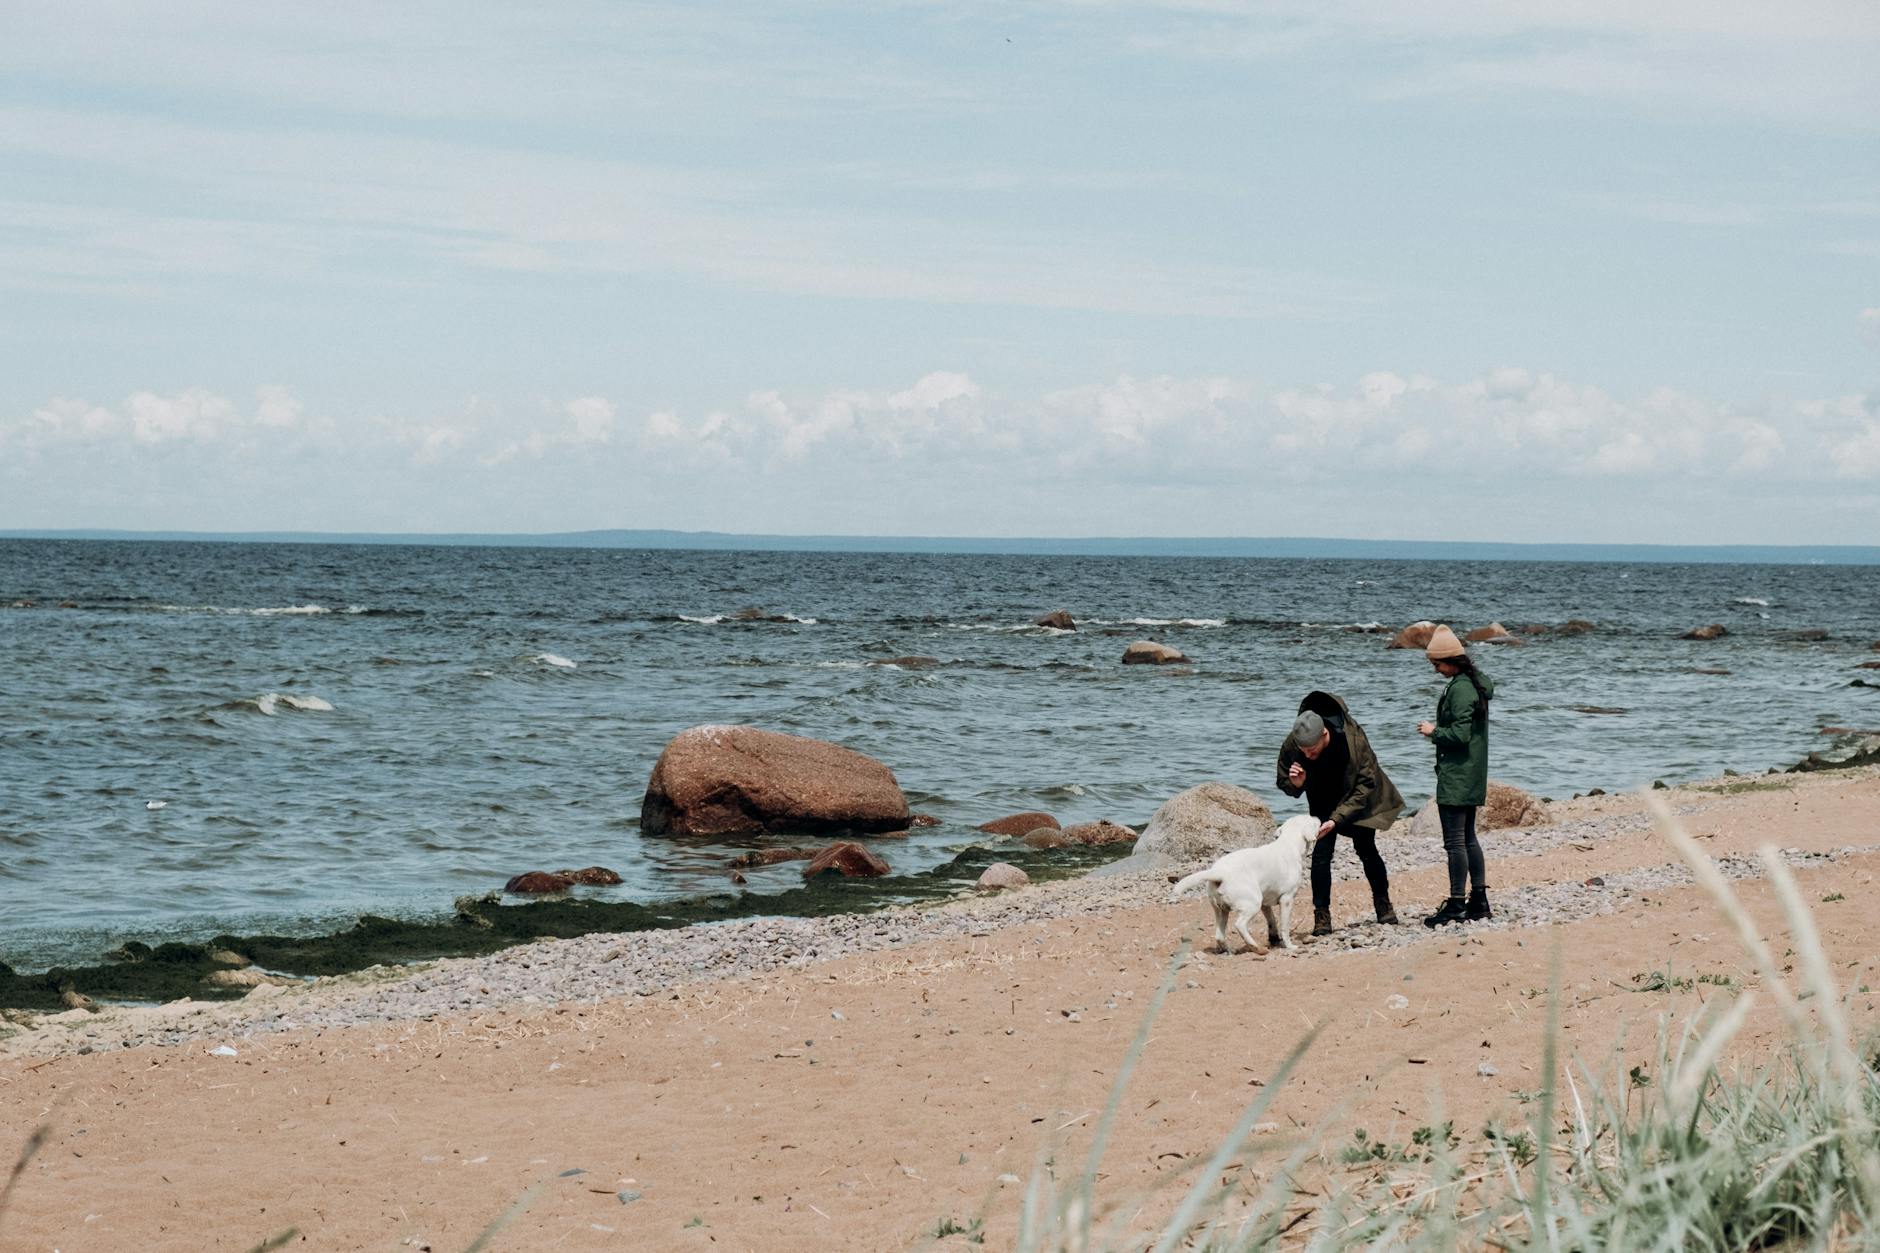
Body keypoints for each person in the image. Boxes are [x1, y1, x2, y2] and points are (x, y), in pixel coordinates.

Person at [1275, 691, 1405, 936]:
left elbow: (1367, 783)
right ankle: (1321, 916)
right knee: (1321, 856)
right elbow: (1283, 780)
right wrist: (1298, 784)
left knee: (1367, 850)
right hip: (1321, 800)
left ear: (1324, 734)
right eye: (1303, 752)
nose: (1307, 756)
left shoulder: (1353, 738)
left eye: (1312, 751)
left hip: (1357, 799)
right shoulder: (1295, 742)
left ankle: (1383, 904)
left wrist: (1337, 819)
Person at [1417, 625, 1496, 927]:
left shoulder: (1462, 689)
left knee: (1455, 842)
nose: (1435, 670)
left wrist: (1433, 732)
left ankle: (1456, 905)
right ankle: (1479, 901)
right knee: (1469, 838)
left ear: (1451, 660)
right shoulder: (1473, 684)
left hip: (1458, 775)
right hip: (1472, 772)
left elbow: (1460, 735)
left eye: (1437, 664)